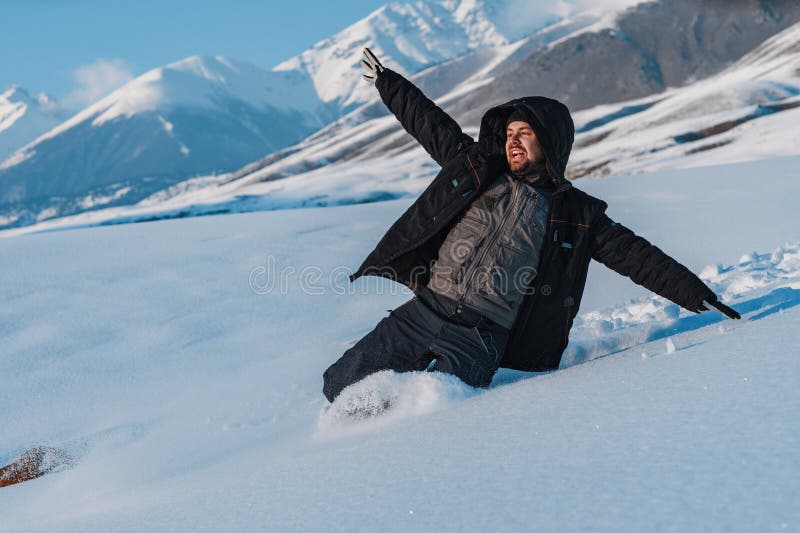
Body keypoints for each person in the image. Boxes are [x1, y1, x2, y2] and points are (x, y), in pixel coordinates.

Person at [322, 49, 740, 403]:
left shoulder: (576, 214)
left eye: (525, 132)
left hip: (480, 337)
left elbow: (638, 258)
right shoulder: (479, 171)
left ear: (550, 142)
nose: (513, 141)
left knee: (435, 413)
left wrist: (694, 294)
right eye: (508, 133)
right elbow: (433, 126)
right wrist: (388, 84)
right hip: (423, 311)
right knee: (340, 386)